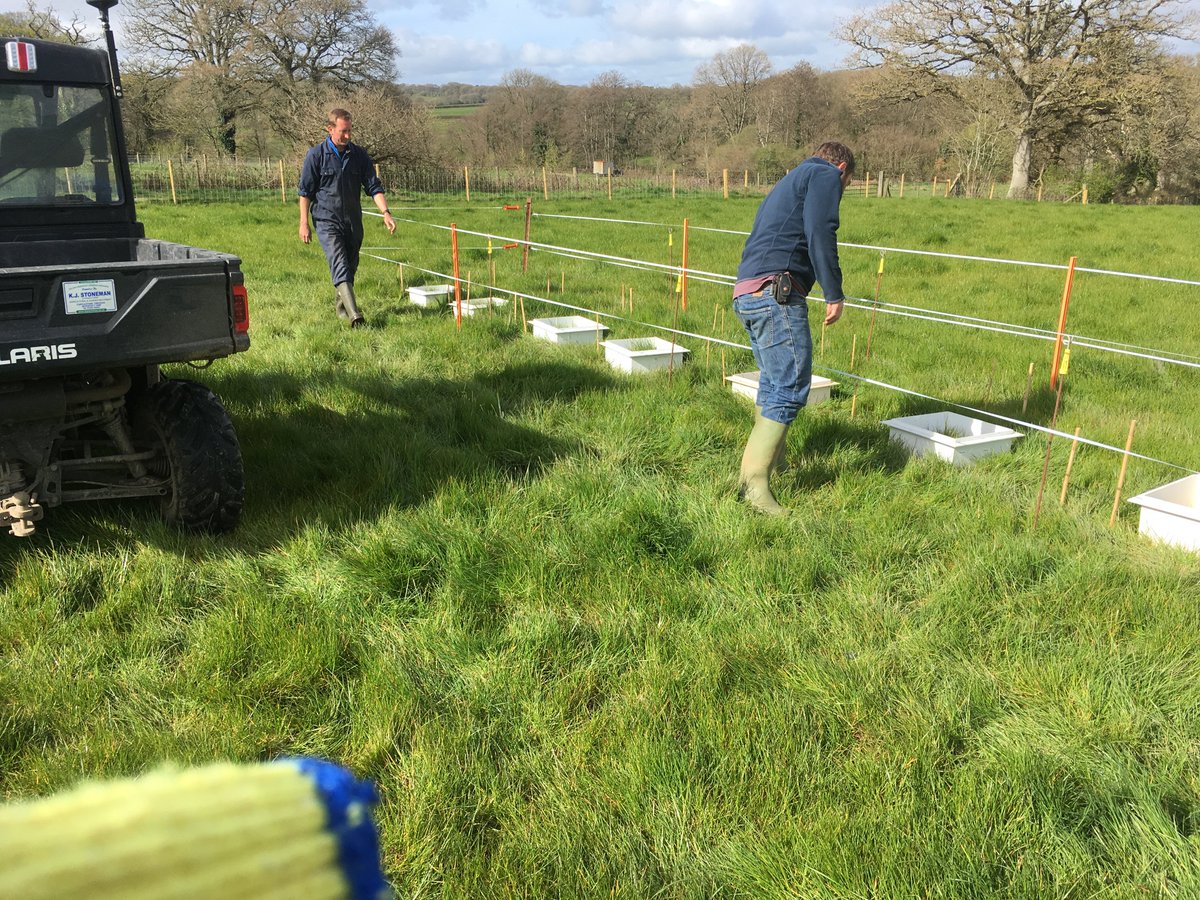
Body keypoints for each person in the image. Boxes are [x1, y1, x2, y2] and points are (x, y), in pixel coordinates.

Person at [732, 141, 854, 515]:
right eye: (847, 183)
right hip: (776, 294)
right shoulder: (823, 173)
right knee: (790, 386)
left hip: (747, 293)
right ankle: (753, 485)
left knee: (772, 381)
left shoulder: (790, 180)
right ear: (842, 166)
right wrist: (834, 291)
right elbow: (821, 230)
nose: (842, 189)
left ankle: (773, 463)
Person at [298, 108, 396, 327]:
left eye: (350, 131)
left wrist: (386, 213)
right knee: (339, 262)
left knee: (350, 265)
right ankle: (355, 316)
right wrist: (304, 223)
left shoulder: (359, 155)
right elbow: (305, 193)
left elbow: (373, 186)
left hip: (352, 220)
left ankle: (342, 309)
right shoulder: (316, 155)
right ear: (330, 128)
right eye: (343, 131)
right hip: (326, 219)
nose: (348, 136)